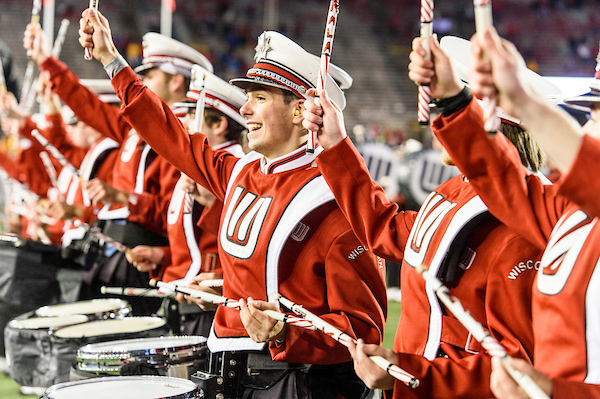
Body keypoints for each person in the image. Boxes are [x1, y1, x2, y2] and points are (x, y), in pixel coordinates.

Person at [80, 8, 387, 399]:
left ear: (299, 110)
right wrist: (112, 60)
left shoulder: (336, 197)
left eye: (258, 98)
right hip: (226, 371)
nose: (244, 110)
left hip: (299, 382)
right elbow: (169, 134)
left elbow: (366, 328)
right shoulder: (240, 171)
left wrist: (284, 331)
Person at [301, 33, 548, 399]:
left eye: (449, 110)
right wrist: (335, 144)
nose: (438, 124)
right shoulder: (454, 193)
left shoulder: (525, 228)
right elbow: (384, 229)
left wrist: (407, 372)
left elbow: (519, 374)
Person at [430, 27, 600, 399]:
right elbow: (506, 182)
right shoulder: (573, 212)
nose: (587, 128)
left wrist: (522, 102)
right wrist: (453, 100)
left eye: (599, 118)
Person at [24, 23, 201, 314]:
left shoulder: (187, 140)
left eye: (150, 76)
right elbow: (86, 105)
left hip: (138, 255)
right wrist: (46, 60)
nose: (141, 84)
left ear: (176, 83)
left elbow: (175, 215)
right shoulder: (133, 129)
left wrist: (122, 198)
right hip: (105, 246)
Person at [126, 65, 247, 336]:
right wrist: (163, 256)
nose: (187, 124)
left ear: (219, 124)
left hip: (211, 304)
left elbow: (245, 246)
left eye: (194, 116)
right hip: (185, 298)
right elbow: (194, 247)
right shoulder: (197, 168)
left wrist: (215, 204)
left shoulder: (237, 168)